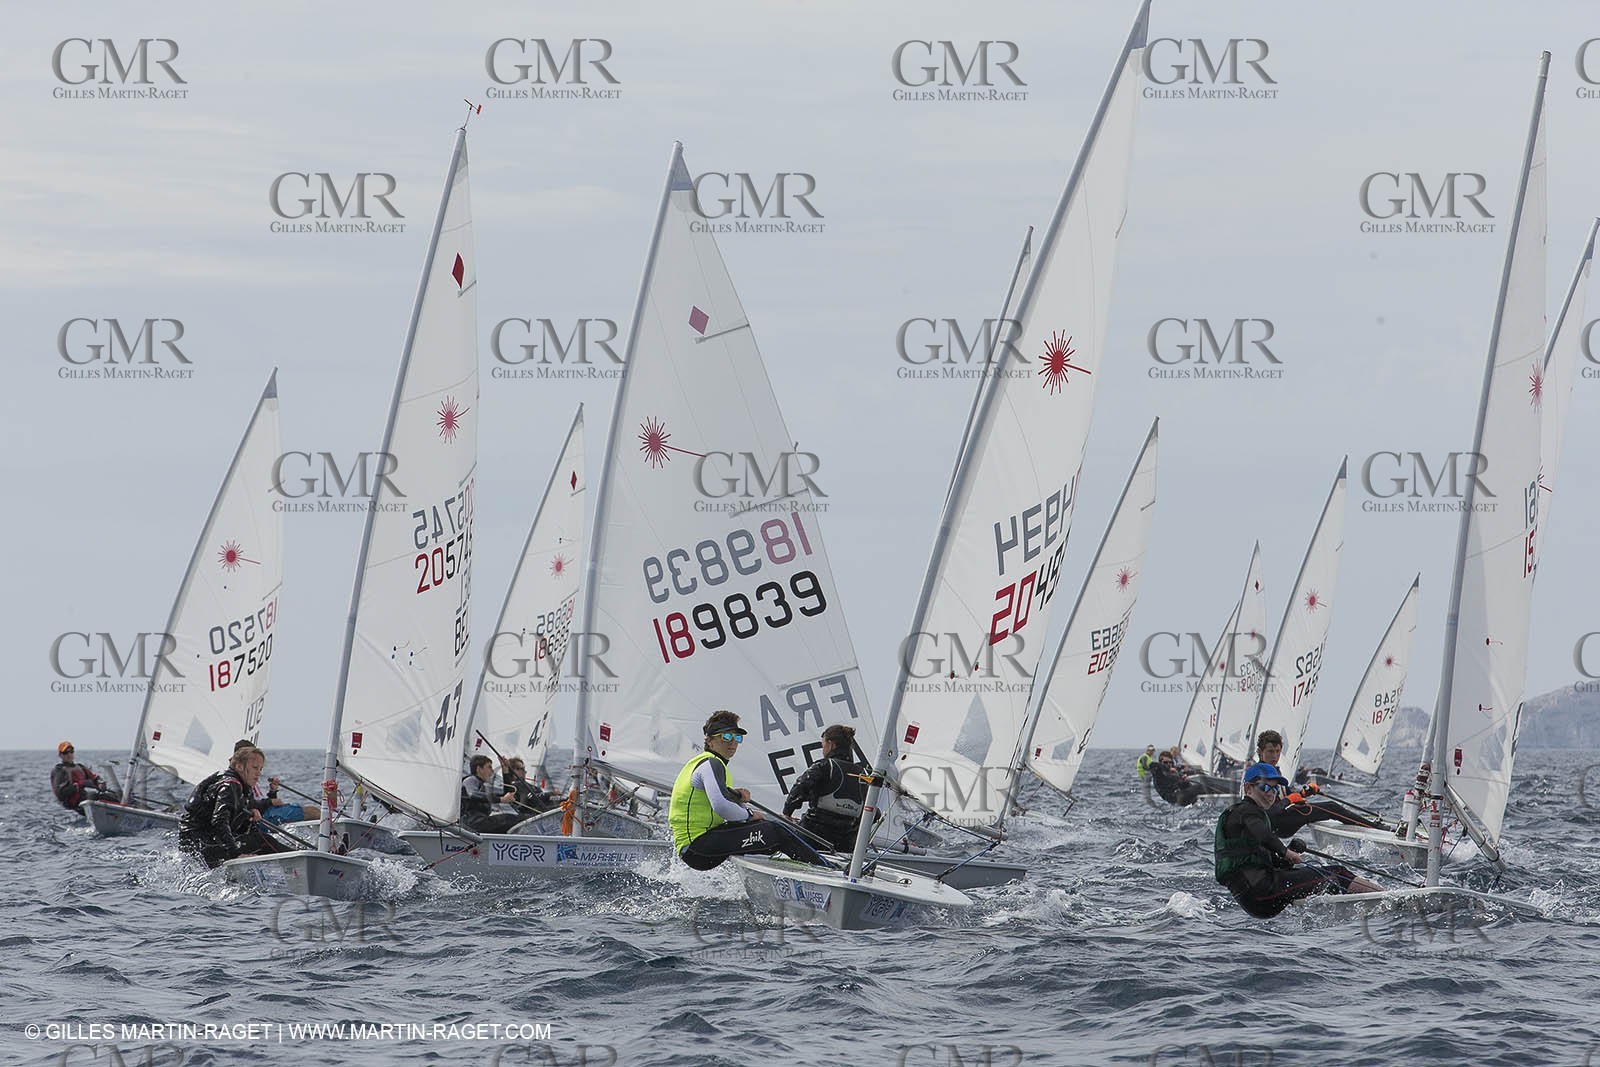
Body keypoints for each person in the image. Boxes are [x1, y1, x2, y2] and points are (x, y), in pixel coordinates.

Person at [1214, 762, 1380, 917]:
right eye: (1265, 787)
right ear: (1248, 788)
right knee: (1337, 873)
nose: (1271, 793)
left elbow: (1269, 860)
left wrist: (1288, 854)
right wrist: (1286, 852)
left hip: (1254, 897)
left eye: (1275, 789)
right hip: (1261, 892)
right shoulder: (1246, 812)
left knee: (1324, 874)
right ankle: (1384, 898)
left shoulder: (1251, 815)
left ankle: (1371, 900)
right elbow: (1263, 835)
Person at [670, 710, 831, 871]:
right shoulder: (712, 764)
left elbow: (722, 800)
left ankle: (796, 869)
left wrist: (737, 798)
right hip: (699, 847)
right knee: (776, 831)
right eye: (726, 737)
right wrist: (750, 815)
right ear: (710, 741)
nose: (733, 743)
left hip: (696, 847)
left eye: (737, 738)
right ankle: (825, 869)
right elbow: (721, 806)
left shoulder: (703, 764)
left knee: (765, 829)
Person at [1253, 730, 1386, 835]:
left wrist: (1303, 793)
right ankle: (1376, 829)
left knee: (1328, 806)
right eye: (1270, 751)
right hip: (1275, 824)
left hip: (1283, 818)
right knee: (1331, 807)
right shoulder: (1257, 776)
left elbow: (1286, 795)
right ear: (1260, 752)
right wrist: (1289, 800)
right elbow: (1267, 813)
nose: (1275, 756)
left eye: (1277, 751)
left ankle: (1368, 825)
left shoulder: (1274, 771)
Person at [179, 745, 292, 868]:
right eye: (255, 768)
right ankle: (298, 858)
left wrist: (248, 815)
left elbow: (231, 823)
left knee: (255, 838)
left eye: (260, 769)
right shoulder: (230, 785)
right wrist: (235, 854)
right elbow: (219, 821)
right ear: (239, 766)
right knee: (263, 841)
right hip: (204, 847)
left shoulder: (232, 783)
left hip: (195, 848)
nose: (259, 773)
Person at [782, 724, 869, 851]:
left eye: (823, 746)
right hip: (845, 842)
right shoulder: (863, 774)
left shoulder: (825, 766)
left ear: (831, 744)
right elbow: (872, 810)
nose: (823, 751)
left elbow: (801, 786)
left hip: (814, 835)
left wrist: (787, 813)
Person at [461, 755, 523, 834]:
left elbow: (507, 793)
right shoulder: (470, 780)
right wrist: (501, 799)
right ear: (479, 769)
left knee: (517, 819)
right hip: (471, 824)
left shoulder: (484, 786)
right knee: (508, 819)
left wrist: (505, 770)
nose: (492, 771)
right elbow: (473, 794)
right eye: (489, 767)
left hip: (481, 823)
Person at [50, 742, 115, 811]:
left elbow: (95, 778)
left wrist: (100, 783)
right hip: (73, 803)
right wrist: (80, 784)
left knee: (112, 796)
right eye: (65, 752)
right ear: (60, 755)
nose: (69, 754)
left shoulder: (80, 767)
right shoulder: (59, 770)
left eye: (71, 752)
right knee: (103, 797)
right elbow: (61, 793)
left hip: (84, 798)